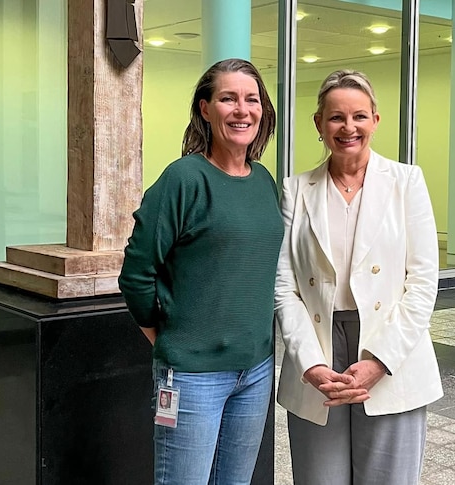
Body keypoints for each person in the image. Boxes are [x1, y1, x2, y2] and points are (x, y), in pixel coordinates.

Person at [274, 69, 443, 485]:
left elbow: (422, 282)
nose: (348, 127)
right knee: (319, 478)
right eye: (335, 117)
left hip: (390, 352)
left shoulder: (407, 182)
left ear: (375, 121)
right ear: (318, 124)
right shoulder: (296, 190)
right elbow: (284, 286)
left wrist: (379, 361)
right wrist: (310, 364)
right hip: (318, 351)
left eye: (359, 116)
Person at [119, 58, 283, 485]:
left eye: (251, 99)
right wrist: (165, 338)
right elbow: (137, 271)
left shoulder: (264, 181)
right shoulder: (183, 179)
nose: (241, 110)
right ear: (206, 109)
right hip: (191, 378)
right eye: (228, 98)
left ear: (263, 110)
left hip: (256, 369)